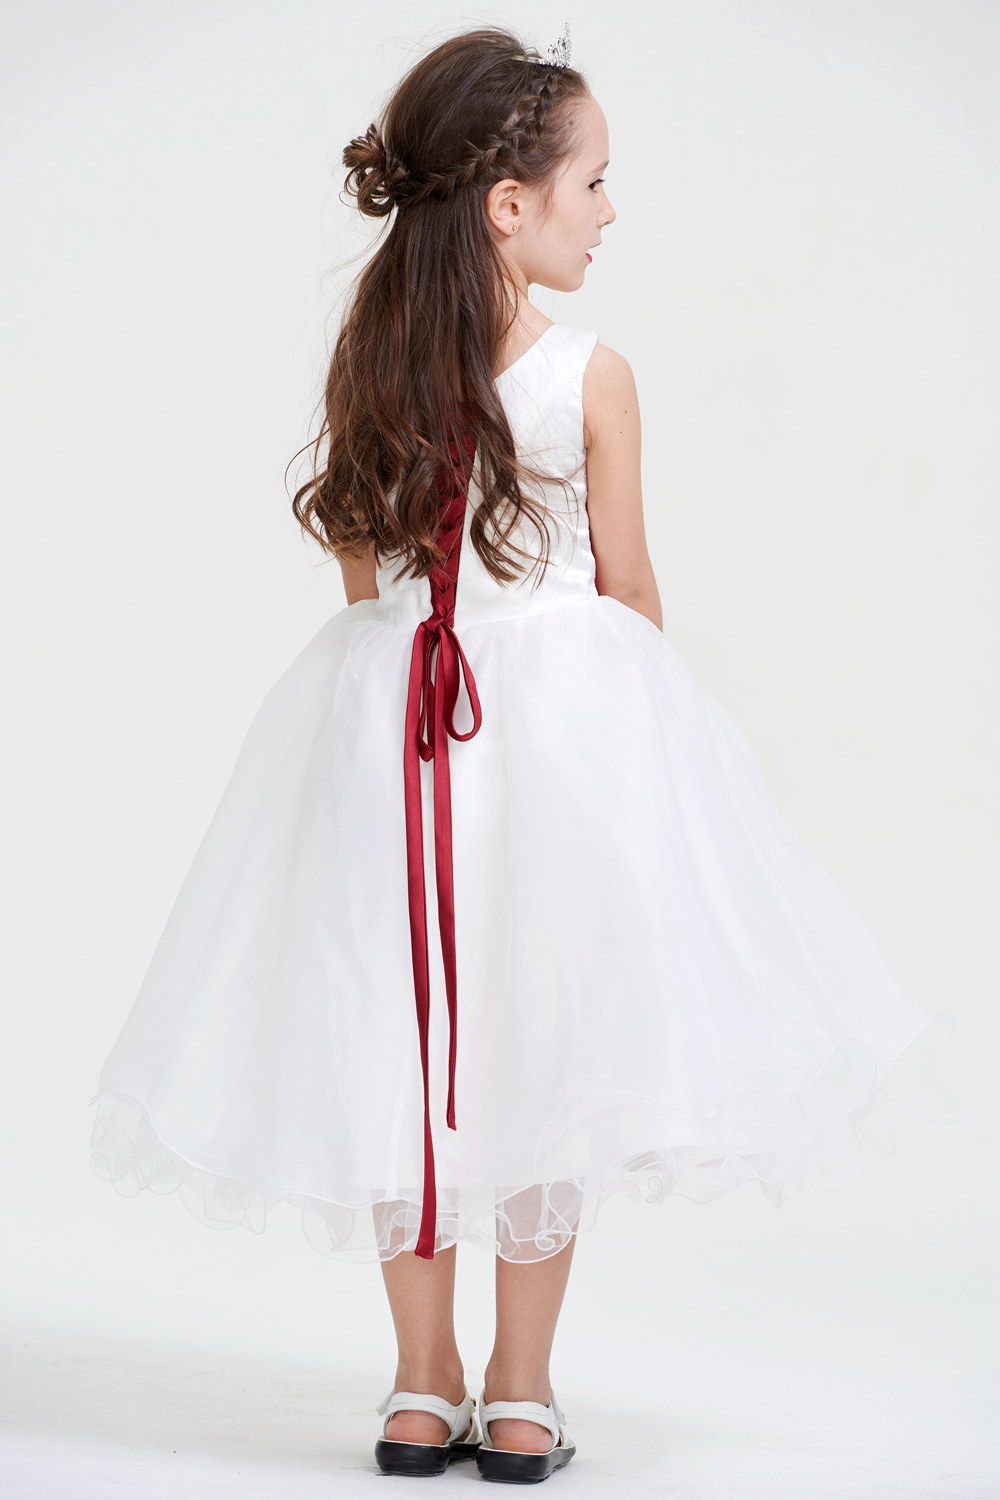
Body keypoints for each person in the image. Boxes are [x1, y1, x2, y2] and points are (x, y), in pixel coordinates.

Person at [91, 26, 949, 1485]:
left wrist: (413, 666)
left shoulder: (373, 362)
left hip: (397, 734)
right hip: (556, 749)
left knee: (405, 1037)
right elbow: (629, 588)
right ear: (509, 204)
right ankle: (520, 1387)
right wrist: (636, 743)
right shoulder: (593, 376)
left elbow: (362, 572)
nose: (609, 210)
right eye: (594, 182)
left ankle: (421, 1385)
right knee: (550, 1044)